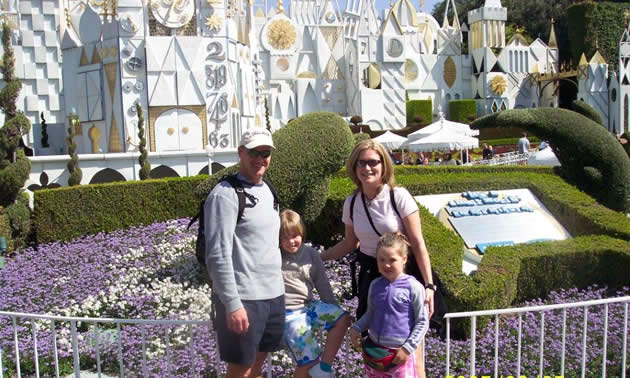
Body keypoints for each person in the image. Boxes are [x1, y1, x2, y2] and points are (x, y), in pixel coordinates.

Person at [321, 139, 435, 378]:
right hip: (372, 277)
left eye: (373, 162)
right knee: (375, 345)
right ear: (354, 167)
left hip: (403, 273)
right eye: (361, 163)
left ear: (384, 166)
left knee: (412, 352)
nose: (367, 168)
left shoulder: (398, 196)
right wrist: (319, 257)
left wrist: (429, 285)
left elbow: (418, 243)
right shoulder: (352, 203)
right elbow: (349, 244)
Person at [204, 129, 285, 378]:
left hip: (273, 295)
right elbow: (217, 254)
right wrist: (232, 304)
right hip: (245, 300)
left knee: (257, 365)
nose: (260, 158)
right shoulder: (225, 194)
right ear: (241, 152)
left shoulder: (268, 189)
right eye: (253, 152)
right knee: (241, 370)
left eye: (266, 153)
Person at [279, 209, 351, 378]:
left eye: (295, 235)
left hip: (309, 306)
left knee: (343, 319)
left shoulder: (311, 254)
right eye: (285, 237)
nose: (291, 241)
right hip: (289, 313)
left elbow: (322, 284)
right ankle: (315, 366)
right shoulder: (275, 256)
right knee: (308, 360)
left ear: (302, 233)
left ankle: (324, 368)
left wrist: (333, 308)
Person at [350, 232, 429, 378]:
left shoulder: (414, 287)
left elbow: (422, 321)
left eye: (392, 260)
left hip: (399, 354)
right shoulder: (375, 285)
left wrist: (407, 348)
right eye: (381, 259)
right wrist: (356, 327)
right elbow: (370, 314)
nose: (386, 264)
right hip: (375, 353)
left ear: (404, 259)